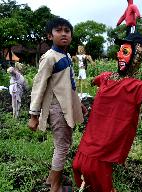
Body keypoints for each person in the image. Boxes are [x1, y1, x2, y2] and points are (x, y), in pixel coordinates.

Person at [72, 32, 142, 192]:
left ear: (136, 56)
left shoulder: (138, 87)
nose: (119, 55)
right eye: (119, 51)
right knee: (77, 166)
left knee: (95, 174)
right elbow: (92, 81)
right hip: (90, 137)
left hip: (106, 143)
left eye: (125, 51)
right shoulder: (106, 77)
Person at [28, 17, 87, 192]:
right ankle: (55, 186)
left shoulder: (67, 56)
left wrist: (79, 104)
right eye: (58, 30)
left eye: (67, 31)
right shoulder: (49, 58)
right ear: (49, 35)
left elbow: (70, 84)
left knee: (64, 143)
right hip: (56, 108)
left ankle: (50, 179)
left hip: (67, 106)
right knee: (62, 146)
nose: (63, 34)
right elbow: (38, 87)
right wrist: (33, 115)